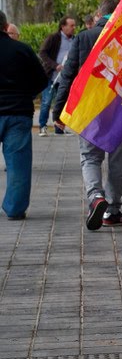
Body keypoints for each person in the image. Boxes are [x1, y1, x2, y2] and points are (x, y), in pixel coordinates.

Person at [53, 0, 122, 230]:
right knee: (118, 163)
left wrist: (58, 111)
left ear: (98, 14)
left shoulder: (83, 37)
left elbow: (68, 76)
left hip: (91, 110)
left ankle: (95, 198)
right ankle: (111, 210)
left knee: (90, 157)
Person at [0, 13, 48, 220]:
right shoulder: (22, 50)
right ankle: (15, 208)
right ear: (5, 26)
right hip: (18, 112)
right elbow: (41, 80)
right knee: (18, 163)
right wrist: (26, 93)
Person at [37, 15, 77, 136]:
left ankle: (59, 128)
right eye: (71, 25)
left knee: (61, 102)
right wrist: (55, 65)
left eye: (74, 25)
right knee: (46, 102)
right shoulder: (53, 38)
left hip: (64, 78)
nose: (74, 28)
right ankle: (42, 127)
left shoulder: (75, 40)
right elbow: (42, 53)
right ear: (63, 26)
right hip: (50, 76)